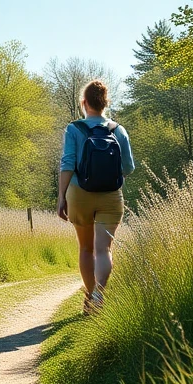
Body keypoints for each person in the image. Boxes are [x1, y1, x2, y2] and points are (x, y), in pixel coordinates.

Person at [57, 79, 135, 314]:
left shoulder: (74, 129)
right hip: (111, 196)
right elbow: (129, 167)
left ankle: (90, 298)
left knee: (85, 249)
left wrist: (62, 196)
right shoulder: (118, 130)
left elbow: (68, 163)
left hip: (79, 194)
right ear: (105, 103)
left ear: (84, 103)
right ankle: (100, 293)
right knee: (104, 250)